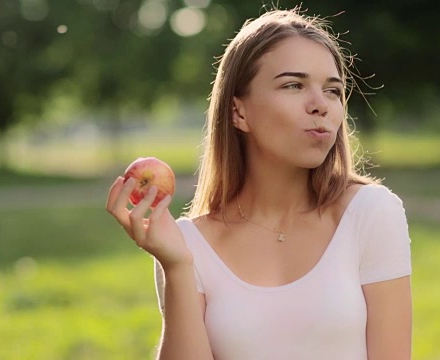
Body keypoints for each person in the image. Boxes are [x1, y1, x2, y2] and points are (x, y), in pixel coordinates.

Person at [107, 7, 412, 360]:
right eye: (293, 85)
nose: (320, 105)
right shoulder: (186, 246)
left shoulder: (370, 214)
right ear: (239, 112)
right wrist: (176, 266)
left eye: (332, 90)